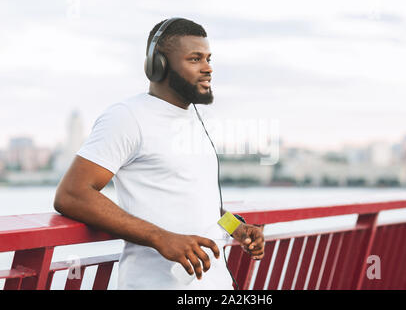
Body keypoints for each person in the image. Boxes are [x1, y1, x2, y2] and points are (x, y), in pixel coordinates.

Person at [53, 18, 265, 290]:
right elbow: (72, 194)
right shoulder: (127, 117)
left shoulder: (195, 122)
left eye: (209, 59)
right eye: (195, 59)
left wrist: (235, 226)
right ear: (158, 66)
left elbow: (197, 198)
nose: (208, 68)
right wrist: (160, 238)